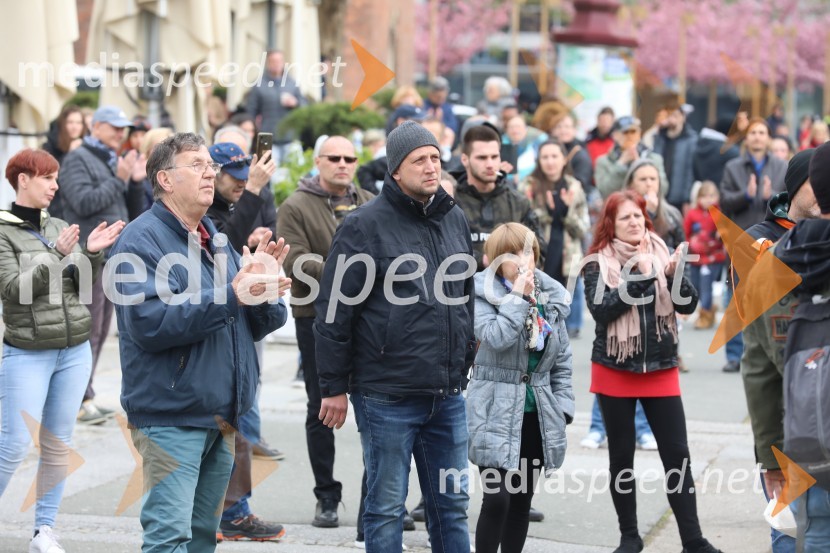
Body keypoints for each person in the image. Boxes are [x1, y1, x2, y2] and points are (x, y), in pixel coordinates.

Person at [110, 132, 290, 551]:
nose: (211, 173)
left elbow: (248, 323)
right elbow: (149, 322)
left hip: (221, 416)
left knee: (203, 537)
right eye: (197, 165)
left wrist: (264, 290)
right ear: (165, 180)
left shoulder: (215, 237)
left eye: (211, 165)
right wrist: (233, 294)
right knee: (170, 536)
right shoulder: (139, 240)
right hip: (172, 415)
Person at [315, 121, 476, 552]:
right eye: (418, 160)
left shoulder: (454, 218)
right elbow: (333, 311)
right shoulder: (364, 225)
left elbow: (465, 296)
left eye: (435, 159)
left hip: (446, 394)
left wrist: (465, 358)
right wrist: (332, 387)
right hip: (386, 392)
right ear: (395, 171)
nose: (430, 167)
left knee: (452, 505)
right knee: (386, 506)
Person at [583, 191, 723, 553]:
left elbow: (688, 305)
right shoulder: (597, 262)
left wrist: (675, 277)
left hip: (660, 367)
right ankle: (630, 536)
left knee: (677, 456)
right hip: (614, 368)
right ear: (610, 223)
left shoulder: (663, 251)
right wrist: (639, 279)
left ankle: (693, 540)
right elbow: (602, 310)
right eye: (626, 217)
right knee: (621, 458)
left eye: (639, 216)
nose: (635, 222)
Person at [0, 149, 124, 553]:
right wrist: (56, 254)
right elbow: (15, 291)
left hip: (73, 350)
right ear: (22, 180)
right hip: (27, 352)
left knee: (57, 444)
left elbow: (77, 288)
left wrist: (89, 253)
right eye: (48, 178)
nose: (56, 186)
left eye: (55, 178)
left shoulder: (57, 225)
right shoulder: (3, 232)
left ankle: (44, 531)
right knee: (14, 444)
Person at [277, 136, 374, 529]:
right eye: (333, 157)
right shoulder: (295, 205)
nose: (342, 163)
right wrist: (353, 272)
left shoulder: (370, 201)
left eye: (349, 157)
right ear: (318, 161)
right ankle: (327, 498)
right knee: (322, 408)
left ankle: (379, 500)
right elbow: (296, 262)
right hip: (313, 315)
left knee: (379, 408)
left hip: (369, 318)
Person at [468, 222, 573, 553]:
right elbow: (496, 338)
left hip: (536, 412)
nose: (522, 259)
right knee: (497, 499)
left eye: (528, 251)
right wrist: (517, 297)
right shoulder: (481, 292)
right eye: (512, 253)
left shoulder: (551, 297)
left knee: (520, 502)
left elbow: (562, 358)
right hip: (493, 408)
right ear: (494, 260)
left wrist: (564, 406)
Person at [747, 141, 830, 550]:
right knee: (797, 530)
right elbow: (761, 361)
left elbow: (759, 365)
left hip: (803, 429)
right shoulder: (762, 250)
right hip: (800, 436)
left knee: (804, 531)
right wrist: (769, 455)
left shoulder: (775, 260)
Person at [203, 142, 285, 541]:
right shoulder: (202, 211)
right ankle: (227, 512)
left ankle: (233, 511)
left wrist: (258, 250)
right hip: (211, 325)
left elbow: (242, 239)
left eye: (244, 176)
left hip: (240, 321)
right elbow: (221, 249)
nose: (241, 183)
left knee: (241, 419)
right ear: (211, 174)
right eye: (233, 177)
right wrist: (251, 191)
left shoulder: (238, 201)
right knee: (228, 423)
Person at [57, 105, 147, 424]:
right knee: (88, 330)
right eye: (114, 126)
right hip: (88, 259)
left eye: (123, 127)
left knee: (101, 330)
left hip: (110, 259)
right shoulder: (77, 160)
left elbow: (127, 209)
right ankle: (77, 399)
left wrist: (134, 182)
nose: (120, 133)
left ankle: (87, 394)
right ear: (95, 127)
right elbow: (82, 203)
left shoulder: (110, 160)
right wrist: (120, 179)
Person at [719, 118, 787, 373]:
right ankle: (734, 355)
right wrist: (745, 195)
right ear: (746, 138)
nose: (757, 137)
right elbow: (724, 201)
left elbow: (791, 202)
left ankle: (768, 352)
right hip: (742, 239)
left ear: (768, 138)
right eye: (753, 133)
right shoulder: (733, 167)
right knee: (736, 297)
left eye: (761, 132)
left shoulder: (781, 167)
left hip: (773, 240)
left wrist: (771, 198)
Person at [453, 124, 537, 270]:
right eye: (482, 158)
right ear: (465, 159)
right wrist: (482, 260)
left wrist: (512, 262)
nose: (490, 164)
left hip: (511, 289)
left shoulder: (518, 202)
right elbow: (443, 248)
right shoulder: (451, 202)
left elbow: (537, 249)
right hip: (461, 288)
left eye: (494, 157)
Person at [683, 181, 726, 330]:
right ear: (699, 197)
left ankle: (705, 315)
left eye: (712, 196)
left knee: (706, 285)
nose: (708, 199)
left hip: (713, 257)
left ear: (717, 197)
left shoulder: (719, 213)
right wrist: (691, 244)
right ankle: (710, 309)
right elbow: (686, 233)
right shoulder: (692, 214)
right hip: (696, 257)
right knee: (696, 286)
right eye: (704, 196)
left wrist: (722, 234)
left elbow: (726, 231)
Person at [246, 50, 306, 155]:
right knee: (269, 170)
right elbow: (250, 112)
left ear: (283, 62)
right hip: (268, 139)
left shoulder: (292, 83)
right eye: (273, 61)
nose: (276, 64)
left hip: (291, 139)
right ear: (268, 63)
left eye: (279, 61)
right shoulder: (259, 84)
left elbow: (305, 107)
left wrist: (295, 103)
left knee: (296, 171)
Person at [595, 116, 667, 200]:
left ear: (639, 134)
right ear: (615, 136)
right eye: (625, 132)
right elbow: (605, 191)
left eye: (633, 132)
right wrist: (621, 164)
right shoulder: (604, 161)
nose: (630, 136)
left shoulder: (654, 159)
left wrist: (639, 165)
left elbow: (663, 189)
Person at [652, 103, 698, 213]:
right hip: (660, 194)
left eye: (676, 115)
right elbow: (653, 161)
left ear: (683, 117)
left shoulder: (691, 139)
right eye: (669, 115)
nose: (672, 119)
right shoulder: (660, 137)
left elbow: (690, 170)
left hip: (679, 198)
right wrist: (659, 130)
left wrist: (687, 198)